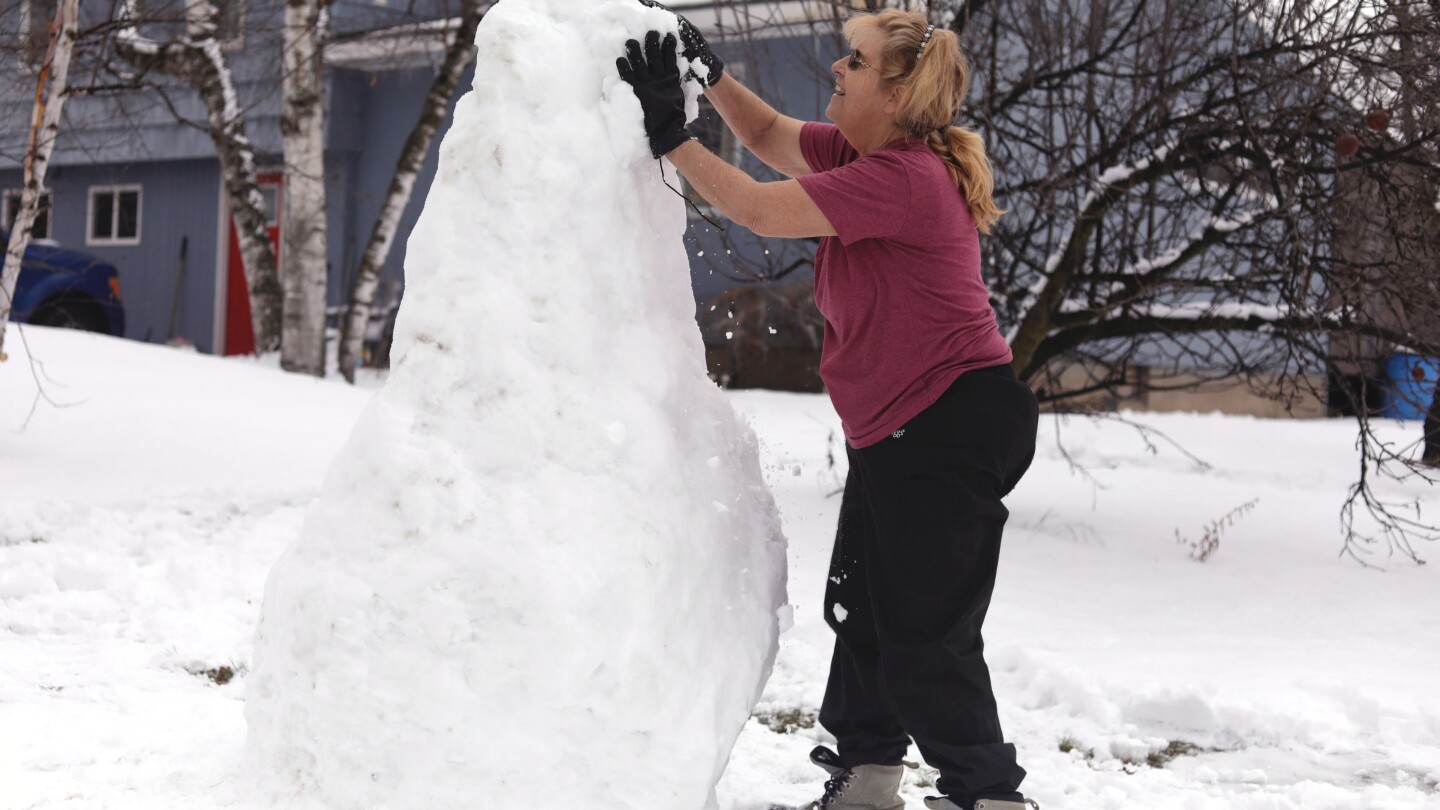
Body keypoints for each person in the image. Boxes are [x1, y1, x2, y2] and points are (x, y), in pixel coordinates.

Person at [617, 8, 1041, 810]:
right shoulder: (863, 152)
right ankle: (869, 778)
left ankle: (989, 798)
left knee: (924, 634)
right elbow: (774, 137)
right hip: (904, 429)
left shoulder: (906, 178)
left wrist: (673, 135)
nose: (837, 70)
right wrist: (711, 79)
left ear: (896, 91)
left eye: (856, 61)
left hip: (950, 424)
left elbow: (759, 207)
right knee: (867, 610)